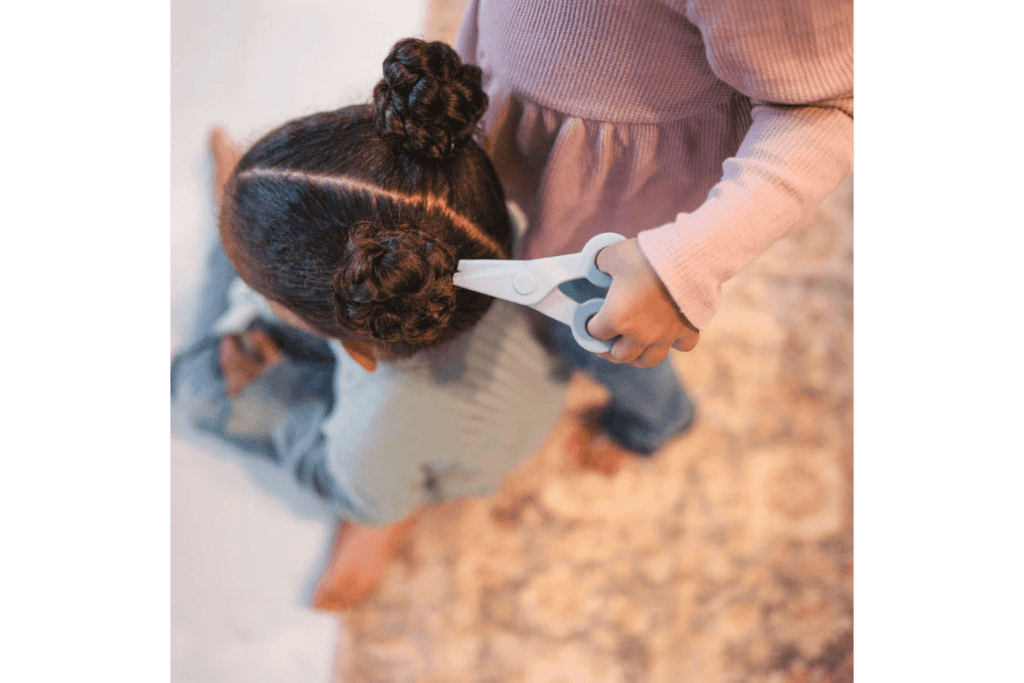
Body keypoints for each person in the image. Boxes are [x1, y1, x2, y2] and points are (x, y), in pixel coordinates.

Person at [171, 38, 574, 610]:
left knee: (198, 388)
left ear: (358, 351)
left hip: (411, 447)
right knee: (263, 258)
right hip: (487, 378)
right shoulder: (478, 227)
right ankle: (244, 231)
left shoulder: (370, 438)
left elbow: (362, 469)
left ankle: (383, 519)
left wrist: (286, 406)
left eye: (271, 296)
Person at [455, 0, 853, 461]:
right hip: (518, 132)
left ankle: (657, 424)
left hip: (625, 216)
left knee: (603, 337)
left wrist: (681, 266)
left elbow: (831, 108)